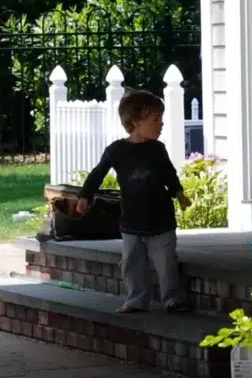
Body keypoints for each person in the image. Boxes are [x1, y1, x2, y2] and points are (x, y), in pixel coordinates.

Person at [71, 87, 188, 311]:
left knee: (166, 262)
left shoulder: (158, 149)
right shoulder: (116, 150)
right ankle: (136, 299)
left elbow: (169, 174)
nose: (161, 124)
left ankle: (173, 299)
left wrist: (179, 192)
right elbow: (98, 173)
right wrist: (85, 196)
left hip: (161, 219)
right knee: (132, 263)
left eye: (161, 118)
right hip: (131, 219)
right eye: (156, 119)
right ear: (135, 121)